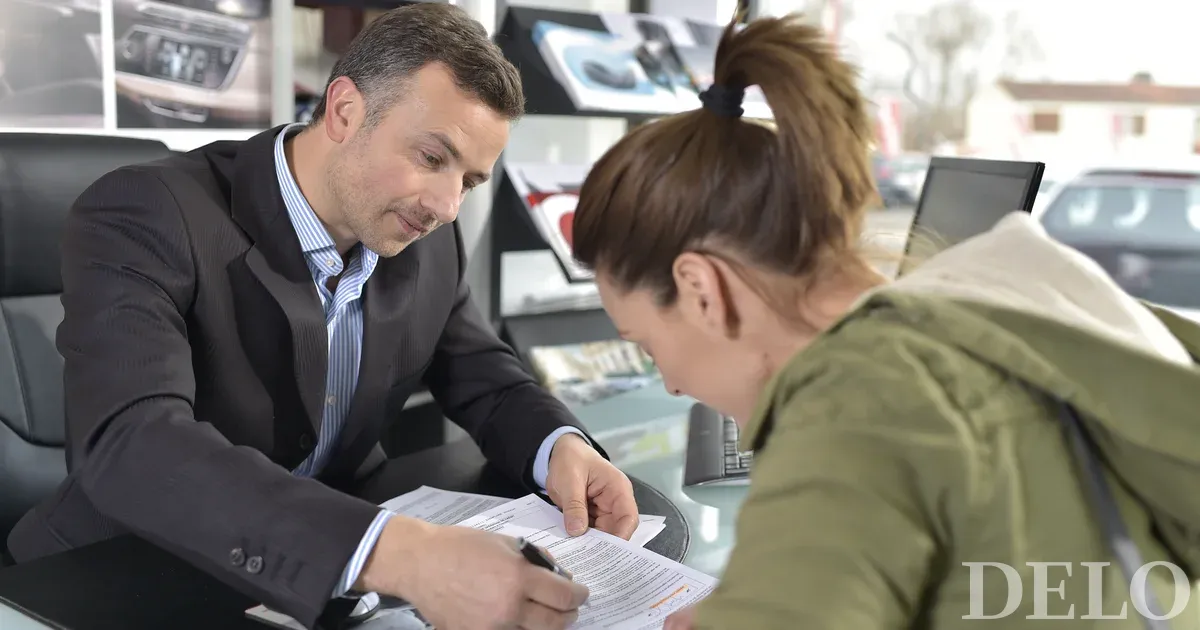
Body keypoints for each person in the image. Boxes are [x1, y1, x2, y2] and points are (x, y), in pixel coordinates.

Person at [6, 4, 639, 629]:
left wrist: (560, 447)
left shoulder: (423, 236)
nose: (447, 206)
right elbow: (133, 442)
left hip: (325, 581)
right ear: (344, 111)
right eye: (431, 157)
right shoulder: (148, 211)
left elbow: (484, 376)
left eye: (470, 181)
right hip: (121, 574)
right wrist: (401, 554)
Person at [570, 13, 1200, 630]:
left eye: (648, 344)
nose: (672, 385)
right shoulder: (991, 305)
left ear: (702, 290)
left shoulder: (854, 404)